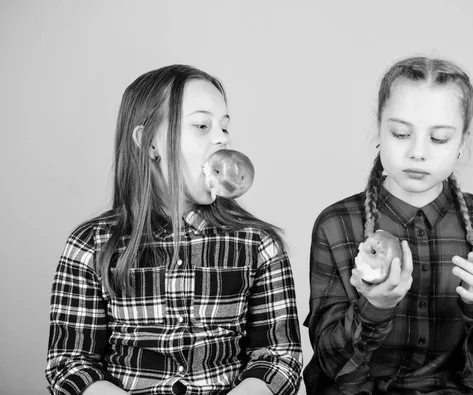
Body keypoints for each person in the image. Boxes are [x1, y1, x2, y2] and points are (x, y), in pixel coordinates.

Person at [46, 65, 302, 395]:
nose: (222, 138)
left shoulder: (259, 245)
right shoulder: (90, 246)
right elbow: (70, 363)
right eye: (201, 125)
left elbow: (279, 358)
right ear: (149, 143)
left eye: (224, 127)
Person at [303, 57, 473, 395]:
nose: (417, 152)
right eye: (401, 133)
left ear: (462, 144)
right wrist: (373, 307)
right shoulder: (336, 225)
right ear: (379, 131)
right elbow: (331, 363)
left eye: (439, 139)